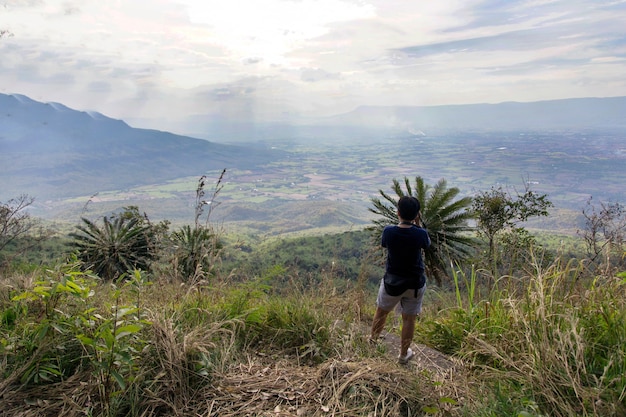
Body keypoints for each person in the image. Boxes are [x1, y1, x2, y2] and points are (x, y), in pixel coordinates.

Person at [370, 195, 431, 364]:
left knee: (381, 311)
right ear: (417, 214)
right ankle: (404, 354)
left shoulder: (389, 232)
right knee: (409, 319)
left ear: (397, 212)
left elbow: (385, 244)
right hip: (415, 284)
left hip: (392, 282)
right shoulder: (421, 234)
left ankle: (372, 342)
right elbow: (426, 244)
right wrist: (417, 225)